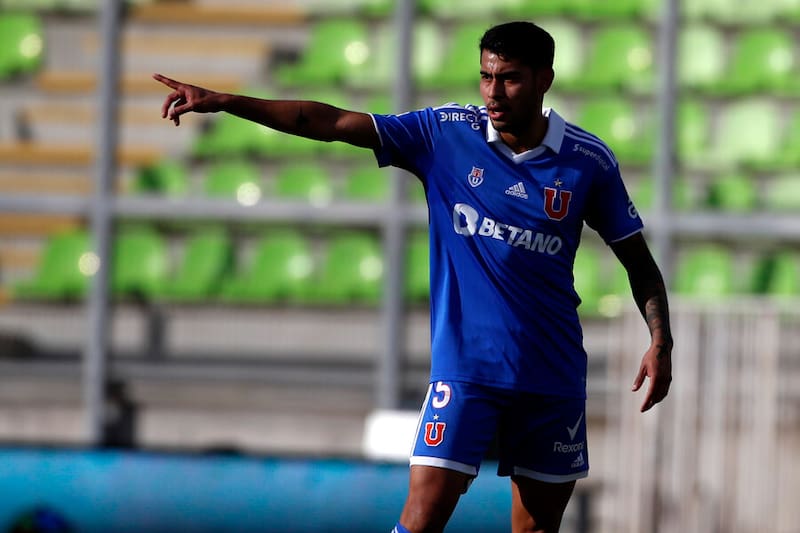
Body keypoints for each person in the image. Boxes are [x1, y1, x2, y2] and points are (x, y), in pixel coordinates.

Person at [154, 20, 672, 533]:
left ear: (544, 80)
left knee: (536, 529)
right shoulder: (445, 133)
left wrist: (659, 341)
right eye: (486, 76)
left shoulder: (587, 161)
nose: (494, 92)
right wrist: (228, 102)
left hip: (551, 375)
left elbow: (639, 262)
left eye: (510, 78)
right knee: (420, 519)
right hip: (465, 371)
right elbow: (329, 121)